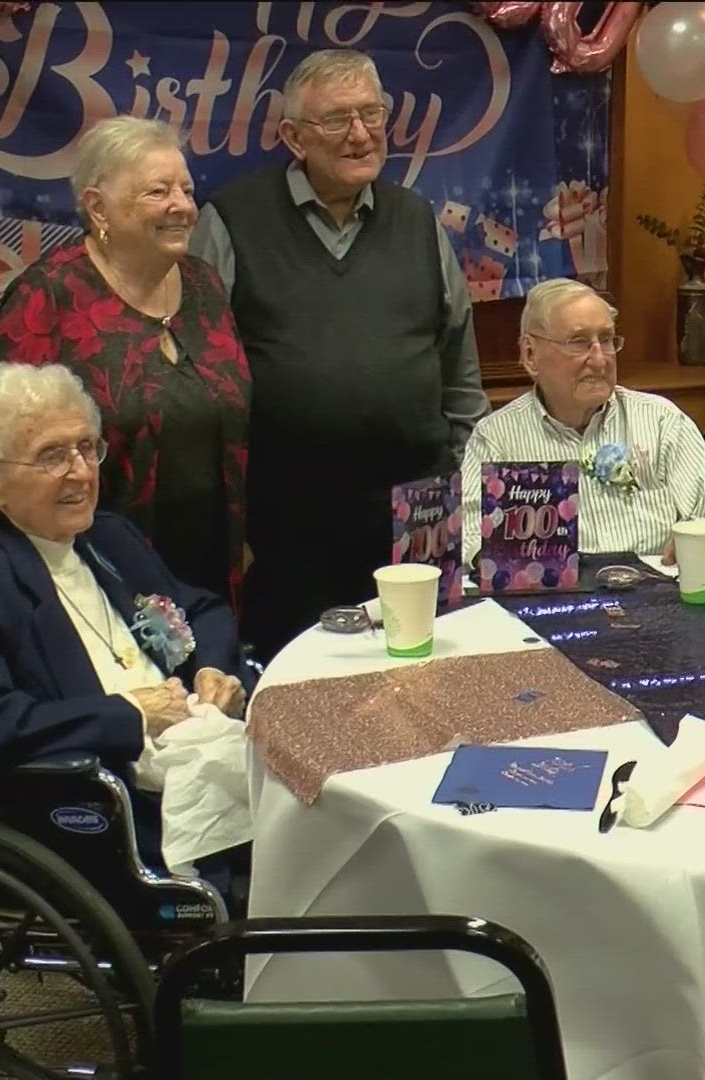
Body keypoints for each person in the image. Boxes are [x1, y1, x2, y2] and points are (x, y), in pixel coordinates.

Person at [188, 48, 488, 656]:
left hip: (418, 514)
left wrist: (461, 478)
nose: (359, 134)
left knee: (423, 681)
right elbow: (199, 378)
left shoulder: (417, 220)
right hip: (287, 522)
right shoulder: (231, 220)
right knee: (303, 685)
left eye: (371, 114)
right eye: (336, 121)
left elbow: (460, 367)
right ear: (293, 137)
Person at [0, 362, 256, 898]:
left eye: (86, 448)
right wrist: (132, 713)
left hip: (196, 761)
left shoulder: (107, 538)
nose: (81, 472)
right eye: (53, 456)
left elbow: (204, 609)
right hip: (112, 807)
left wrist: (213, 668)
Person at [0, 116, 250, 605]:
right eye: (158, 192)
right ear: (97, 206)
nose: (182, 206)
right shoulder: (51, 294)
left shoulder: (204, 285)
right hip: (88, 574)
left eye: (186, 189)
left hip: (209, 566)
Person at [461, 279, 705, 563]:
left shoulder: (662, 423)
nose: (600, 359)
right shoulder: (496, 438)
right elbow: (468, 540)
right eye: (579, 342)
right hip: (550, 601)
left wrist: (699, 543)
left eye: (607, 340)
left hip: (658, 597)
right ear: (530, 354)